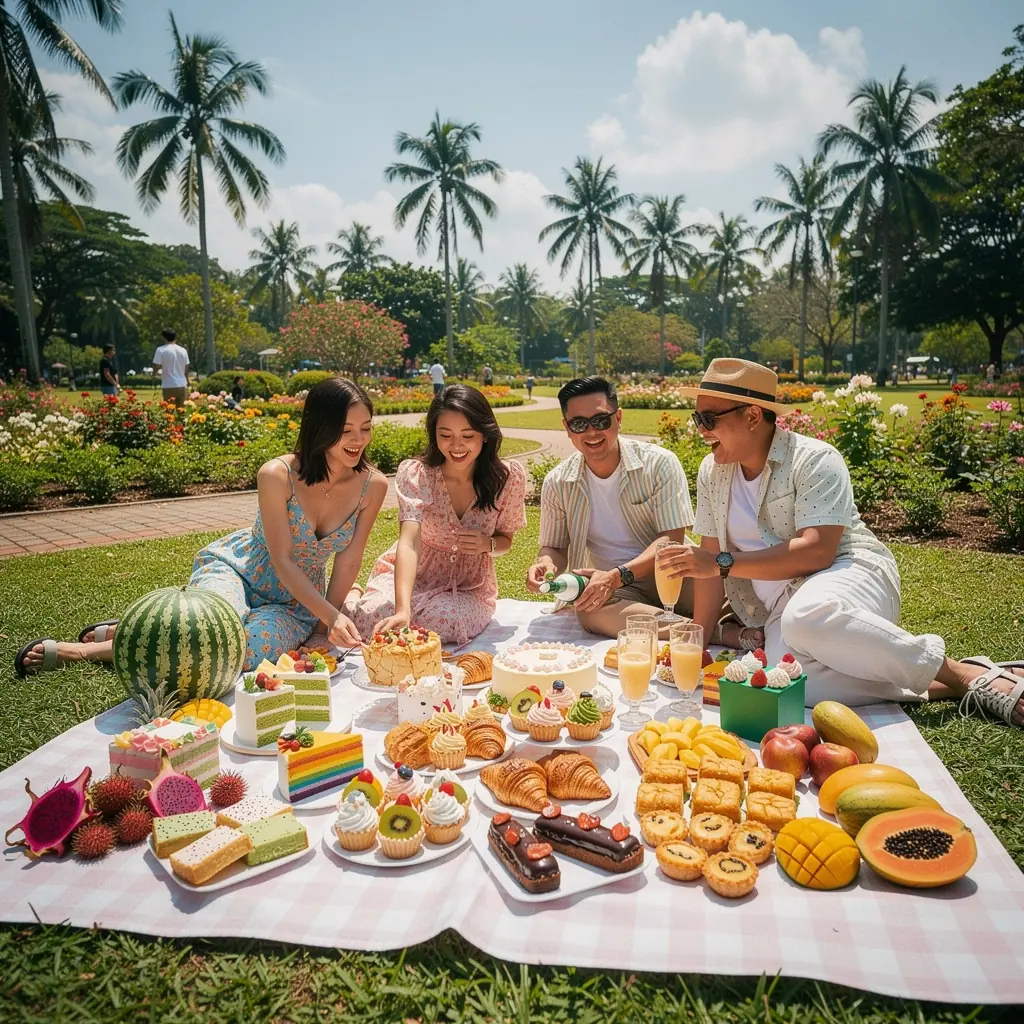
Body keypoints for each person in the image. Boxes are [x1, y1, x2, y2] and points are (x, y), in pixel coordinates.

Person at [656, 358, 1023, 726]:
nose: (700, 429)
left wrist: (722, 563)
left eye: (709, 419)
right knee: (789, 680)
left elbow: (818, 550)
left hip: (849, 575)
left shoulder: (814, 458)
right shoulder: (712, 471)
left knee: (805, 618)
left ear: (752, 416)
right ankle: (946, 683)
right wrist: (695, 645)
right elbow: (707, 563)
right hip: (783, 605)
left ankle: (958, 672)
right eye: (697, 417)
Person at [15, 378, 389, 676]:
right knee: (210, 630)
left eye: (366, 428)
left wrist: (322, 628)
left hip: (296, 603)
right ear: (320, 428)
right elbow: (282, 559)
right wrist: (332, 615)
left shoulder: (372, 486)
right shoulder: (277, 475)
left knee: (242, 653)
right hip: (240, 572)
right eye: (346, 430)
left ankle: (144, 629)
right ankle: (87, 651)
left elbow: (348, 561)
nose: (358, 440)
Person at [524, 376, 758, 647]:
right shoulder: (557, 482)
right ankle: (712, 632)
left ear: (618, 418)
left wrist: (617, 575)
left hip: (671, 571)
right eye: (579, 424)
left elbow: (671, 539)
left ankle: (708, 623)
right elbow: (554, 546)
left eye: (601, 421)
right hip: (616, 588)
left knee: (736, 596)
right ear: (567, 428)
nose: (591, 432)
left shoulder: (659, 463)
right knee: (589, 609)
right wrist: (546, 564)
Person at [351, 384, 527, 646]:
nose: (456, 446)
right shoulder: (418, 474)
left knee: (446, 621)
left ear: (485, 434)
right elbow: (409, 542)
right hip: (414, 573)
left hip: (468, 586)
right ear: (434, 434)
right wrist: (402, 609)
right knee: (374, 617)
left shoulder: (507, 478)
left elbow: (506, 541)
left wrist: (487, 544)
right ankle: (354, 595)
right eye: (445, 435)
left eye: (467, 435)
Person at [153, 328, 190, 407]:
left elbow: (156, 366)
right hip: (181, 384)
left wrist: (154, 375)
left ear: (164, 337)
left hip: (168, 385)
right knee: (181, 410)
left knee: (169, 410)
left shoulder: (160, 350)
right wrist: (188, 381)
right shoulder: (183, 350)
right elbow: (186, 368)